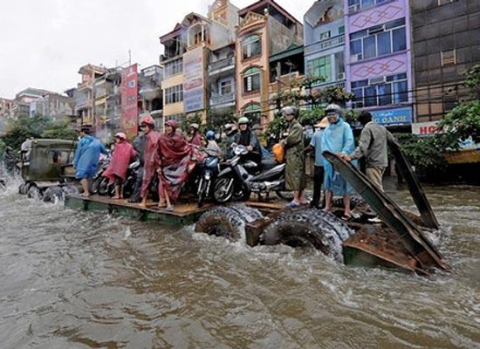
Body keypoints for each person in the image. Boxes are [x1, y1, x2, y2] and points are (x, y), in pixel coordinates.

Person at [343, 110, 395, 192]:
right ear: (371, 118)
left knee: (376, 189)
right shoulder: (382, 128)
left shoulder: (367, 129)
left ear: (361, 122)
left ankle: (382, 204)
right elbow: (392, 140)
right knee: (377, 184)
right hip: (383, 161)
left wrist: (350, 157)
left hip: (373, 162)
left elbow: (362, 148)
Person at [321, 104, 355, 220]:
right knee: (328, 184)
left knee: (345, 185)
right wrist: (329, 155)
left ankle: (347, 209)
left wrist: (343, 152)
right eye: (328, 115)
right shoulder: (327, 129)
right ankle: (327, 206)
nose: (330, 117)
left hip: (342, 159)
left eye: (333, 114)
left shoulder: (345, 126)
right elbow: (324, 144)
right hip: (330, 160)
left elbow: (349, 141)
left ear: (338, 115)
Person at [157, 119, 193, 211]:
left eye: (169, 126)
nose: (167, 128)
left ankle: (171, 202)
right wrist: (158, 165)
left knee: (176, 184)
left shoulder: (179, 138)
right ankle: (168, 203)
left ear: (173, 127)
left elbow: (185, 148)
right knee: (165, 183)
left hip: (177, 165)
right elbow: (158, 152)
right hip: (165, 164)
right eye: (166, 126)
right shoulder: (161, 138)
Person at [281, 106, 307, 207]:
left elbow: (291, 139)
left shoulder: (296, 126)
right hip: (294, 154)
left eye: (288, 115)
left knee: (295, 176)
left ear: (293, 115)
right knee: (300, 176)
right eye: (286, 115)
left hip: (295, 154)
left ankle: (296, 199)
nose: (286, 117)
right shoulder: (292, 125)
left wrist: (283, 142)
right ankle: (302, 198)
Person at [73, 127, 109, 197]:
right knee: (90, 176)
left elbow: (78, 152)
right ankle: (89, 190)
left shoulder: (82, 141)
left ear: (83, 132)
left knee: (82, 176)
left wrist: (75, 162)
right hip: (94, 161)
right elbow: (104, 151)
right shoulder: (97, 141)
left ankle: (86, 192)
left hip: (84, 161)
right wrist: (109, 154)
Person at [102, 132, 137, 199]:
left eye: (117, 138)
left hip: (117, 166)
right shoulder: (129, 146)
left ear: (121, 139)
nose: (116, 140)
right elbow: (134, 154)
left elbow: (114, 154)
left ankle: (117, 195)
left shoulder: (118, 146)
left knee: (117, 181)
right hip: (125, 166)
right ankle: (121, 194)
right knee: (123, 180)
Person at [305, 117, 328, 209]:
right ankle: (326, 204)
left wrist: (302, 151)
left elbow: (311, 147)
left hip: (318, 163)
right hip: (328, 164)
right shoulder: (331, 134)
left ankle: (315, 202)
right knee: (327, 186)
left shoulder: (316, 134)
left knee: (317, 185)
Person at [140, 115, 160, 207]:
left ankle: (144, 202)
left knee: (146, 181)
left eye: (145, 126)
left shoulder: (151, 136)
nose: (143, 129)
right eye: (142, 127)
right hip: (153, 162)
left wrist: (152, 159)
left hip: (151, 163)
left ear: (150, 126)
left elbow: (155, 148)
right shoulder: (152, 135)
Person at [128, 127, 147, 203]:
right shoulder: (139, 140)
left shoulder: (150, 138)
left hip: (148, 163)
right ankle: (136, 198)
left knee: (141, 181)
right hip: (143, 163)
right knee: (140, 181)